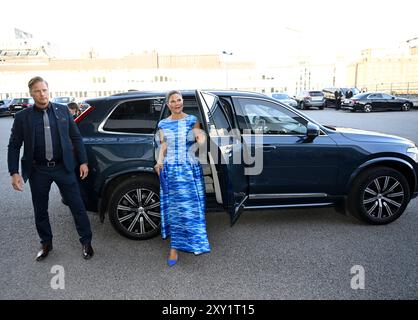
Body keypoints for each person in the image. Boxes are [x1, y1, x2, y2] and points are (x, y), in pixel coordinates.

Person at [7, 76, 94, 261]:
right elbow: (14, 145)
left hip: (64, 168)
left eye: (44, 90)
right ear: (31, 94)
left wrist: (83, 162)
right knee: (40, 210)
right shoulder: (23, 117)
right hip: (38, 170)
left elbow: (76, 137)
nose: (42, 94)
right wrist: (14, 172)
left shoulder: (63, 111)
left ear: (49, 90)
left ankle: (86, 241)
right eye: (37, 91)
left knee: (77, 206)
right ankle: (46, 243)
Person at [154, 90, 210, 267]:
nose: (177, 103)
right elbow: (163, 146)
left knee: (191, 208)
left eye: (179, 100)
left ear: (182, 102)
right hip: (171, 170)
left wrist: (201, 138)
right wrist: (159, 162)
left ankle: (195, 242)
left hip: (189, 169)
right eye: (173, 101)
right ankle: (174, 248)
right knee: (175, 210)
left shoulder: (192, 120)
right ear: (168, 104)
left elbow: (199, 139)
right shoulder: (163, 123)